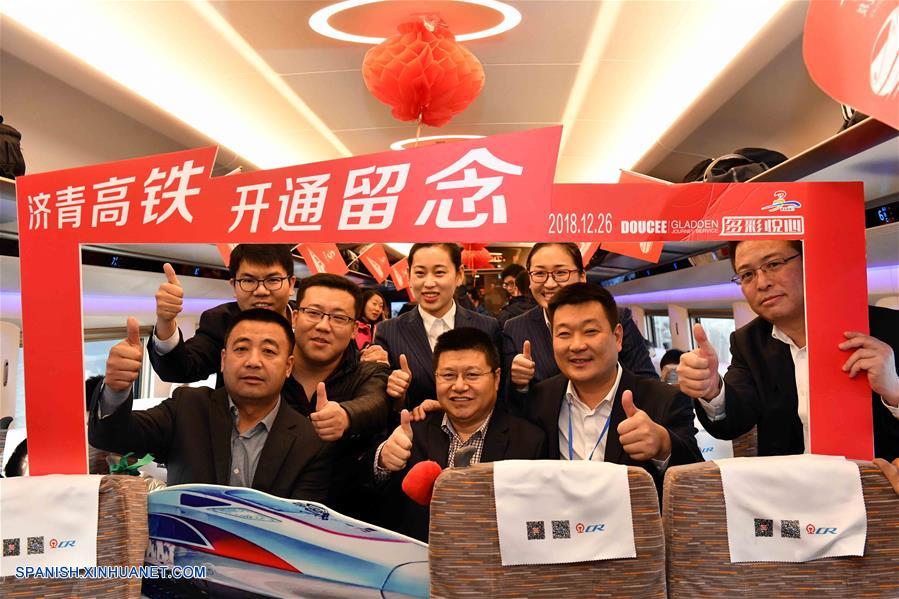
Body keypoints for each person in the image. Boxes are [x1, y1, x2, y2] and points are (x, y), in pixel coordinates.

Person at [677, 240, 899, 460]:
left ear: (810, 262)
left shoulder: (888, 330)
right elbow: (733, 423)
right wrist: (711, 390)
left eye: (774, 264)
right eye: (747, 275)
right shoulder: (748, 342)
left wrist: (895, 392)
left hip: (875, 488)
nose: (762, 283)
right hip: (787, 489)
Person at [89, 309, 332, 501]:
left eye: (268, 351)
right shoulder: (188, 407)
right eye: (241, 349)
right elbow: (112, 438)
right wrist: (116, 389)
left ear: (288, 366)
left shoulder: (309, 442)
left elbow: (301, 531)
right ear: (224, 360)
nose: (253, 361)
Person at [373, 327, 546, 541]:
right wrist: (382, 460)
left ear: (497, 378)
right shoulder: (412, 434)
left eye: (472, 375)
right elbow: (376, 504)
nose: (460, 386)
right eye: (448, 375)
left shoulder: (529, 441)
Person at [524, 283, 702, 491]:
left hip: (632, 522)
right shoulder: (538, 400)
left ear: (617, 337)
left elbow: (696, 482)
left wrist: (664, 446)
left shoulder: (663, 400)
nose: (577, 345)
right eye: (564, 334)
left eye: (590, 331)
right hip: (563, 521)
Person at [282, 274, 392, 518]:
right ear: (295, 317)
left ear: (354, 329)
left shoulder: (368, 371)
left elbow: (377, 400)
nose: (323, 326)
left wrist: (346, 415)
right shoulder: (272, 370)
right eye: (314, 313)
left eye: (339, 318)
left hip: (345, 522)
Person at [503, 243, 658, 409]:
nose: (549, 284)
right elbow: (511, 406)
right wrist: (519, 384)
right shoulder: (514, 328)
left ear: (582, 276)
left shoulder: (616, 317)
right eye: (539, 273)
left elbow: (647, 382)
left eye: (561, 273)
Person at [366, 243, 503, 410]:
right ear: (409, 276)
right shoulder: (388, 331)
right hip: (414, 432)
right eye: (420, 273)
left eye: (439, 272)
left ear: (459, 275)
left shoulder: (487, 327)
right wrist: (396, 393)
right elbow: (379, 401)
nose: (429, 283)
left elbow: (498, 391)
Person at [149, 244, 296, 387]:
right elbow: (182, 369)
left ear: (291, 284)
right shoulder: (220, 322)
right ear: (233, 286)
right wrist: (165, 321)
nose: (261, 291)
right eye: (248, 281)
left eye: (273, 280)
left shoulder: (312, 320)